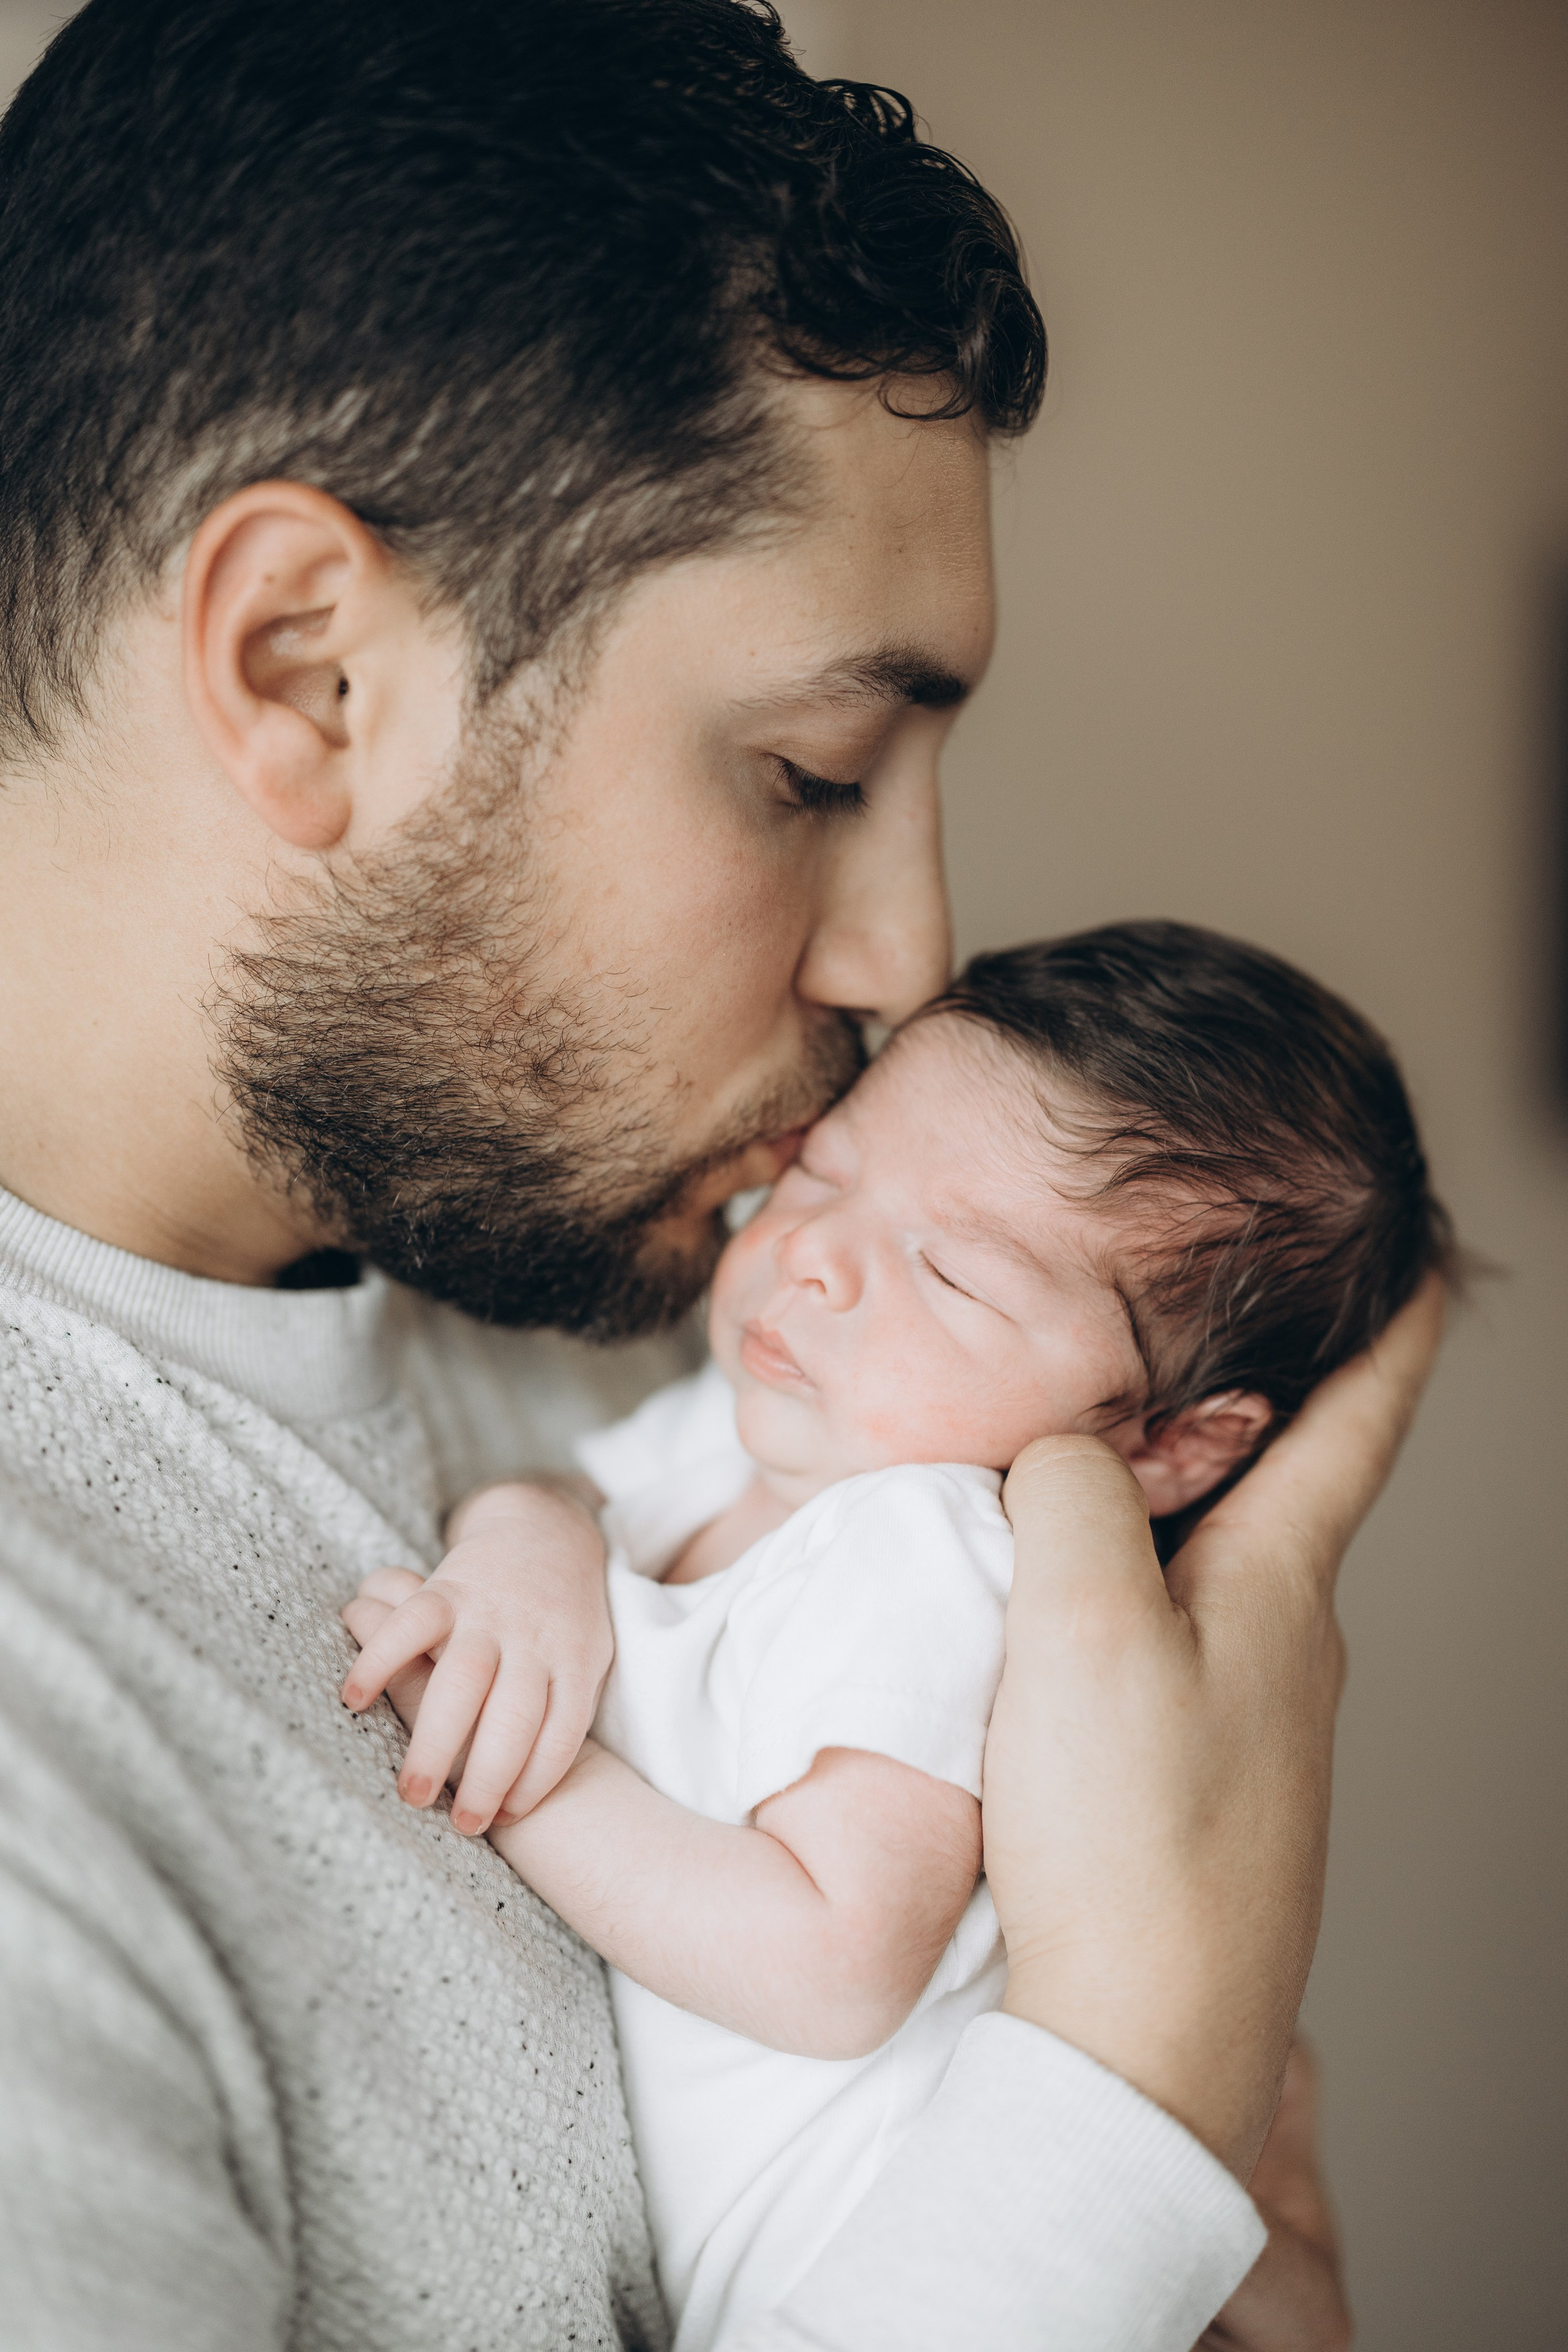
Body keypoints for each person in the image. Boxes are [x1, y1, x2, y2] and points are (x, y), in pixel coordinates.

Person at [0, 2, 1438, 2346]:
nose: (911, 963)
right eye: (814, 774)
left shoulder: (661, 1347)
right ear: (308, 670)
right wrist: (1147, 2065)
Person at [337, 920, 1453, 2351]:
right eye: (823, 1171)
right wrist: (523, 1545)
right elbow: (581, 1487)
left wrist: (523, 1778)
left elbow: (833, 1962)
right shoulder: (756, 1429)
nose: (812, 1257)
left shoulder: (926, 1547)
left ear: (1168, 1446)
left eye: (954, 1276)